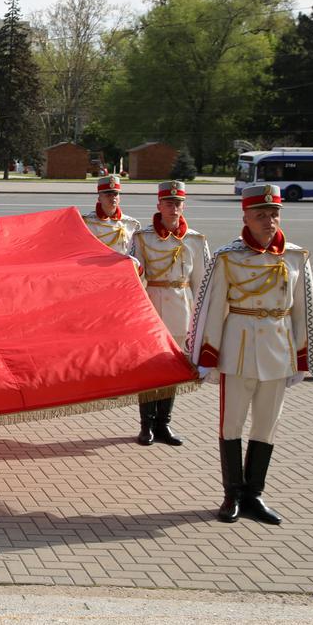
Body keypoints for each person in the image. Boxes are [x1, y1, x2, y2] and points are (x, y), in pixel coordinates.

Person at [188, 183, 313, 525]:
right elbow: (213, 309)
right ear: (244, 215)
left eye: (274, 213)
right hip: (239, 350)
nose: (269, 221)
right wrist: (207, 357)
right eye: (260, 215)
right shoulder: (228, 257)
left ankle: (255, 495)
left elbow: (302, 312)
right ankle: (232, 495)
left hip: (277, 352)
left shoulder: (294, 256)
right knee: (232, 423)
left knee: (266, 425)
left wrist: (304, 359)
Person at [127, 181, 209, 446]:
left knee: (174, 369)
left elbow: (202, 284)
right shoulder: (143, 237)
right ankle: (146, 425)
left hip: (183, 309)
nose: (174, 208)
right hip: (153, 307)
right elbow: (133, 276)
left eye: (178, 203)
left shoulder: (195, 240)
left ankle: (164, 424)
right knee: (151, 370)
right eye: (169, 203)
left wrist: (200, 319)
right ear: (159, 205)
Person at [82, 175, 140, 256]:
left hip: (120, 266)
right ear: (99, 198)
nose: (113, 198)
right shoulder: (86, 222)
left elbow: (135, 254)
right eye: (108, 195)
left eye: (115, 194)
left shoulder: (131, 224)